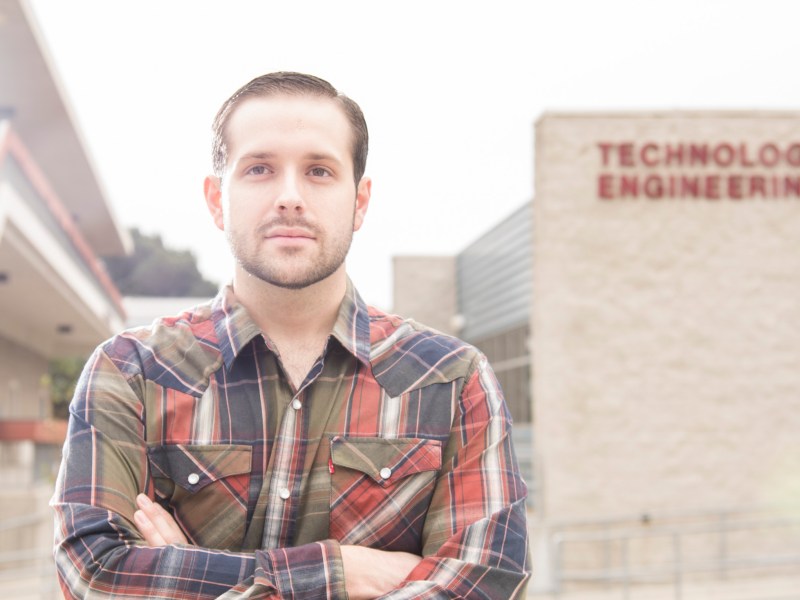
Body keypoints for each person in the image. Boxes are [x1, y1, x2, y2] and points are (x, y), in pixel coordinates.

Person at [52, 71, 530, 599]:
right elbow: (93, 575)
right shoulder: (131, 372)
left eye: (319, 170)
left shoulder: (452, 380)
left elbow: (487, 585)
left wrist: (190, 572)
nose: (289, 197)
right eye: (259, 168)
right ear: (217, 200)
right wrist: (342, 573)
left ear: (360, 201)